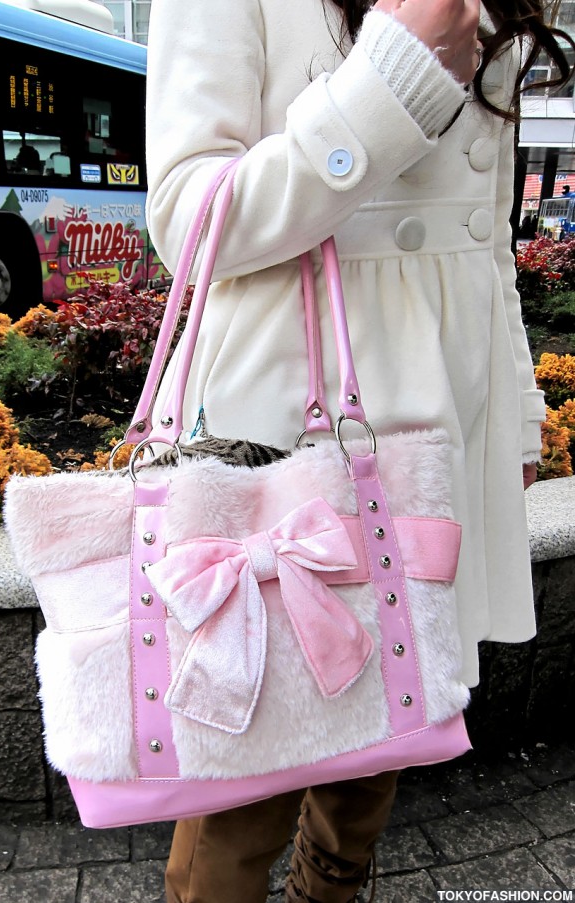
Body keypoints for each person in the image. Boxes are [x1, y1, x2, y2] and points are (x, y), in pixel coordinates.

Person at [144, 1, 573, 901]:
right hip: (281, 414)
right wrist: (385, 85)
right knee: (246, 776)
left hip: (439, 415)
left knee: (379, 752)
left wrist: (520, 409)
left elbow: (489, 242)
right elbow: (188, 218)